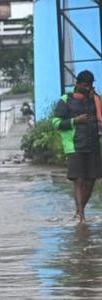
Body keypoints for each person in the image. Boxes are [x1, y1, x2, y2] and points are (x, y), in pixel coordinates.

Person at [52, 70, 102, 224]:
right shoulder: (65, 100)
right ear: (78, 84)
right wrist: (75, 120)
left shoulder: (95, 99)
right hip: (74, 146)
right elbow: (56, 123)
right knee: (79, 180)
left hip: (93, 144)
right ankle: (81, 216)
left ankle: (79, 211)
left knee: (91, 180)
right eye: (86, 85)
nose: (89, 88)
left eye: (91, 85)